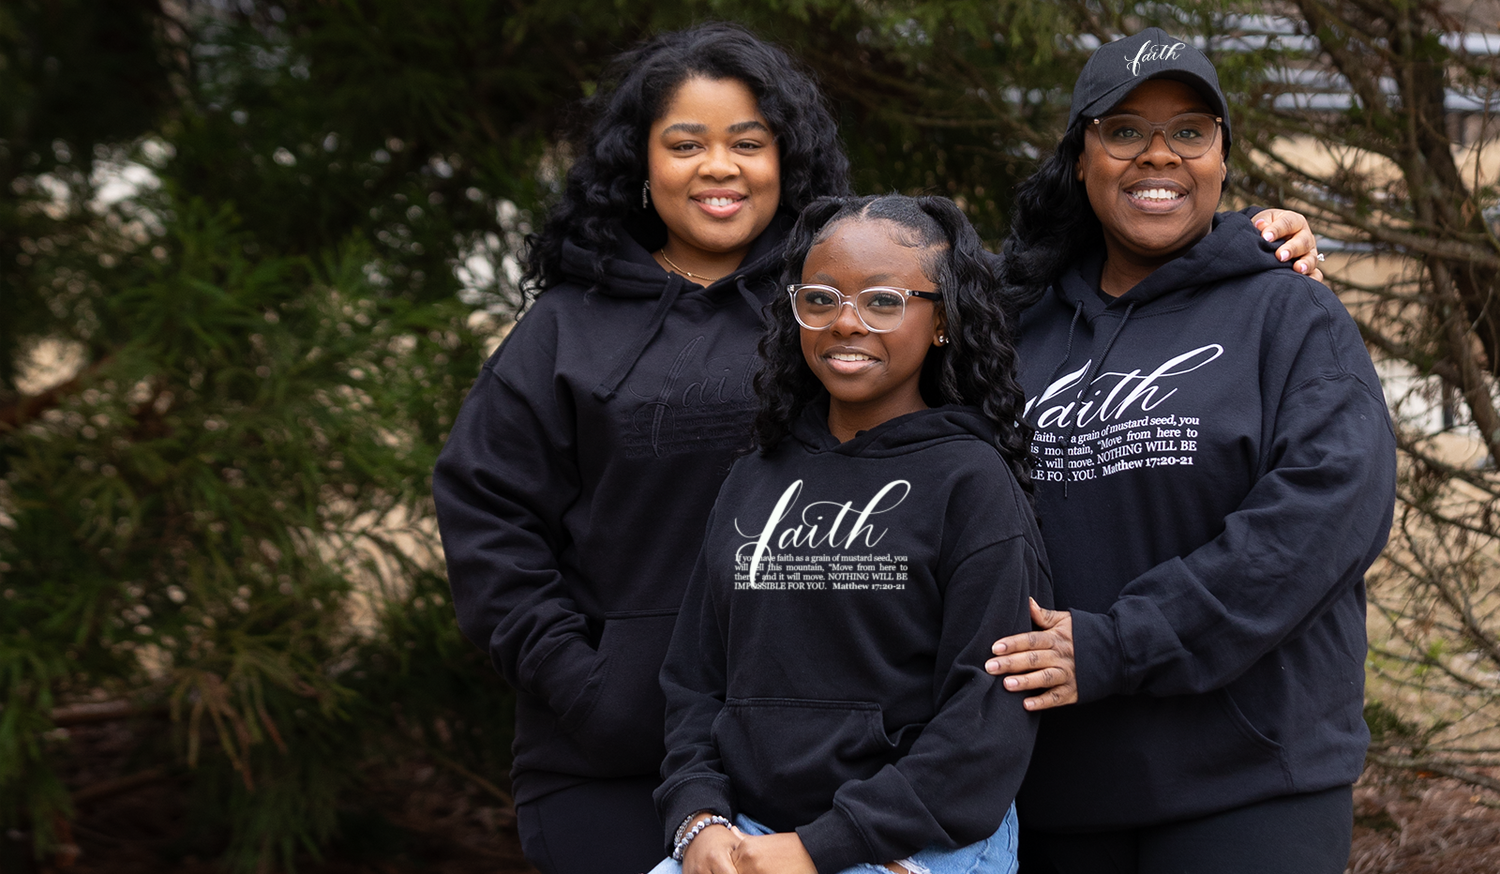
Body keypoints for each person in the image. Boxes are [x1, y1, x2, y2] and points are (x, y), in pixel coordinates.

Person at [430, 21, 1325, 874]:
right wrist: (588, 687)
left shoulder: (855, 301)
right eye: (684, 142)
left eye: (748, 140)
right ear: (640, 159)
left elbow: (1007, 278)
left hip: (881, 790)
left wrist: (1243, 245)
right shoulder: (571, 328)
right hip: (649, 763)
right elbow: (486, 512)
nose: (719, 167)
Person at [983, 28, 1397, 874]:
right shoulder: (1014, 323)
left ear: (1221, 158)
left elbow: (1320, 520)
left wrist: (1120, 644)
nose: (1157, 156)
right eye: (1125, 130)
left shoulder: (1291, 315)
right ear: (1080, 158)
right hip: (1055, 784)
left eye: (1189, 132)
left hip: (1249, 779)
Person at [652, 194, 1047, 874]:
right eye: (822, 298)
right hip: (747, 833)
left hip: (915, 842)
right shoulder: (756, 476)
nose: (846, 324)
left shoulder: (971, 483)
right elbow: (695, 679)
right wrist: (697, 818)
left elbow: (984, 724)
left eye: (884, 302)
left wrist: (818, 849)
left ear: (942, 319)